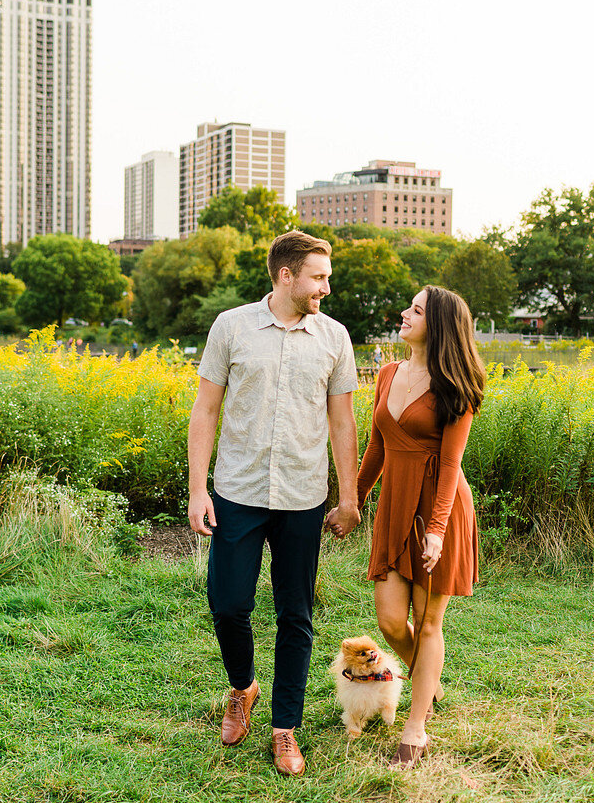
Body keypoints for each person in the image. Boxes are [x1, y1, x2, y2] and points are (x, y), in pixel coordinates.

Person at [188, 230, 359, 777]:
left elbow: (342, 421)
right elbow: (206, 411)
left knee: (296, 614)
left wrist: (349, 496)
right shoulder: (231, 326)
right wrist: (197, 489)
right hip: (237, 492)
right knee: (229, 606)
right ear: (287, 276)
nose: (326, 288)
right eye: (319, 277)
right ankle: (243, 687)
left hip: (303, 496)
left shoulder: (335, 337)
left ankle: (285, 727)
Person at [343, 285, 485, 768]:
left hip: (438, 508)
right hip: (395, 504)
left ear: (439, 325)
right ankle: (428, 678)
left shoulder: (457, 387)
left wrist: (438, 530)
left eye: (417, 310)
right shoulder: (387, 374)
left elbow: (450, 464)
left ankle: (416, 726)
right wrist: (353, 499)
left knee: (428, 624)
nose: (405, 313)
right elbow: (377, 448)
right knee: (388, 621)